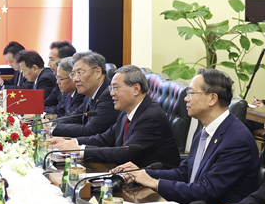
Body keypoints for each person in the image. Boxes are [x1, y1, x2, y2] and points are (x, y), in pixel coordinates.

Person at [113, 69, 259, 204]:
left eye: (191, 93)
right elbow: (184, 174)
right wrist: (142, 173)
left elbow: (206, 190)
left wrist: (155, 183)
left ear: (212, 99)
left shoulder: (237, 141)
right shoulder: (204, 131)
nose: (185, 99)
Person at [50, 65, 180, 169]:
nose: (111, 93)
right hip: (127, 175)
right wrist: (73, 143)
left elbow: (123, 153)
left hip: (154, 186)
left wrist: (80, 150)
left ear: (136, 89)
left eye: (115, 88)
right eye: (111, 88)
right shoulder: (126, 110)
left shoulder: (151, 117)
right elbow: (105, 138)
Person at [51, 51, 121, 137]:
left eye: (80, 72)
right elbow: (74, 117)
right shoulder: (90, 93)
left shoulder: (109, 95)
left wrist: (51, 127)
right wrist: (50, 123)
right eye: (73, 74)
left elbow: (89, 130)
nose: (75, 79)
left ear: (97, 72)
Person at [45, 41, 77, 107]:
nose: (48, 64)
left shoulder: (77, 88)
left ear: (64, 60)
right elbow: (48, 103)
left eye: (51, 60)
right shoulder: (59, 80)